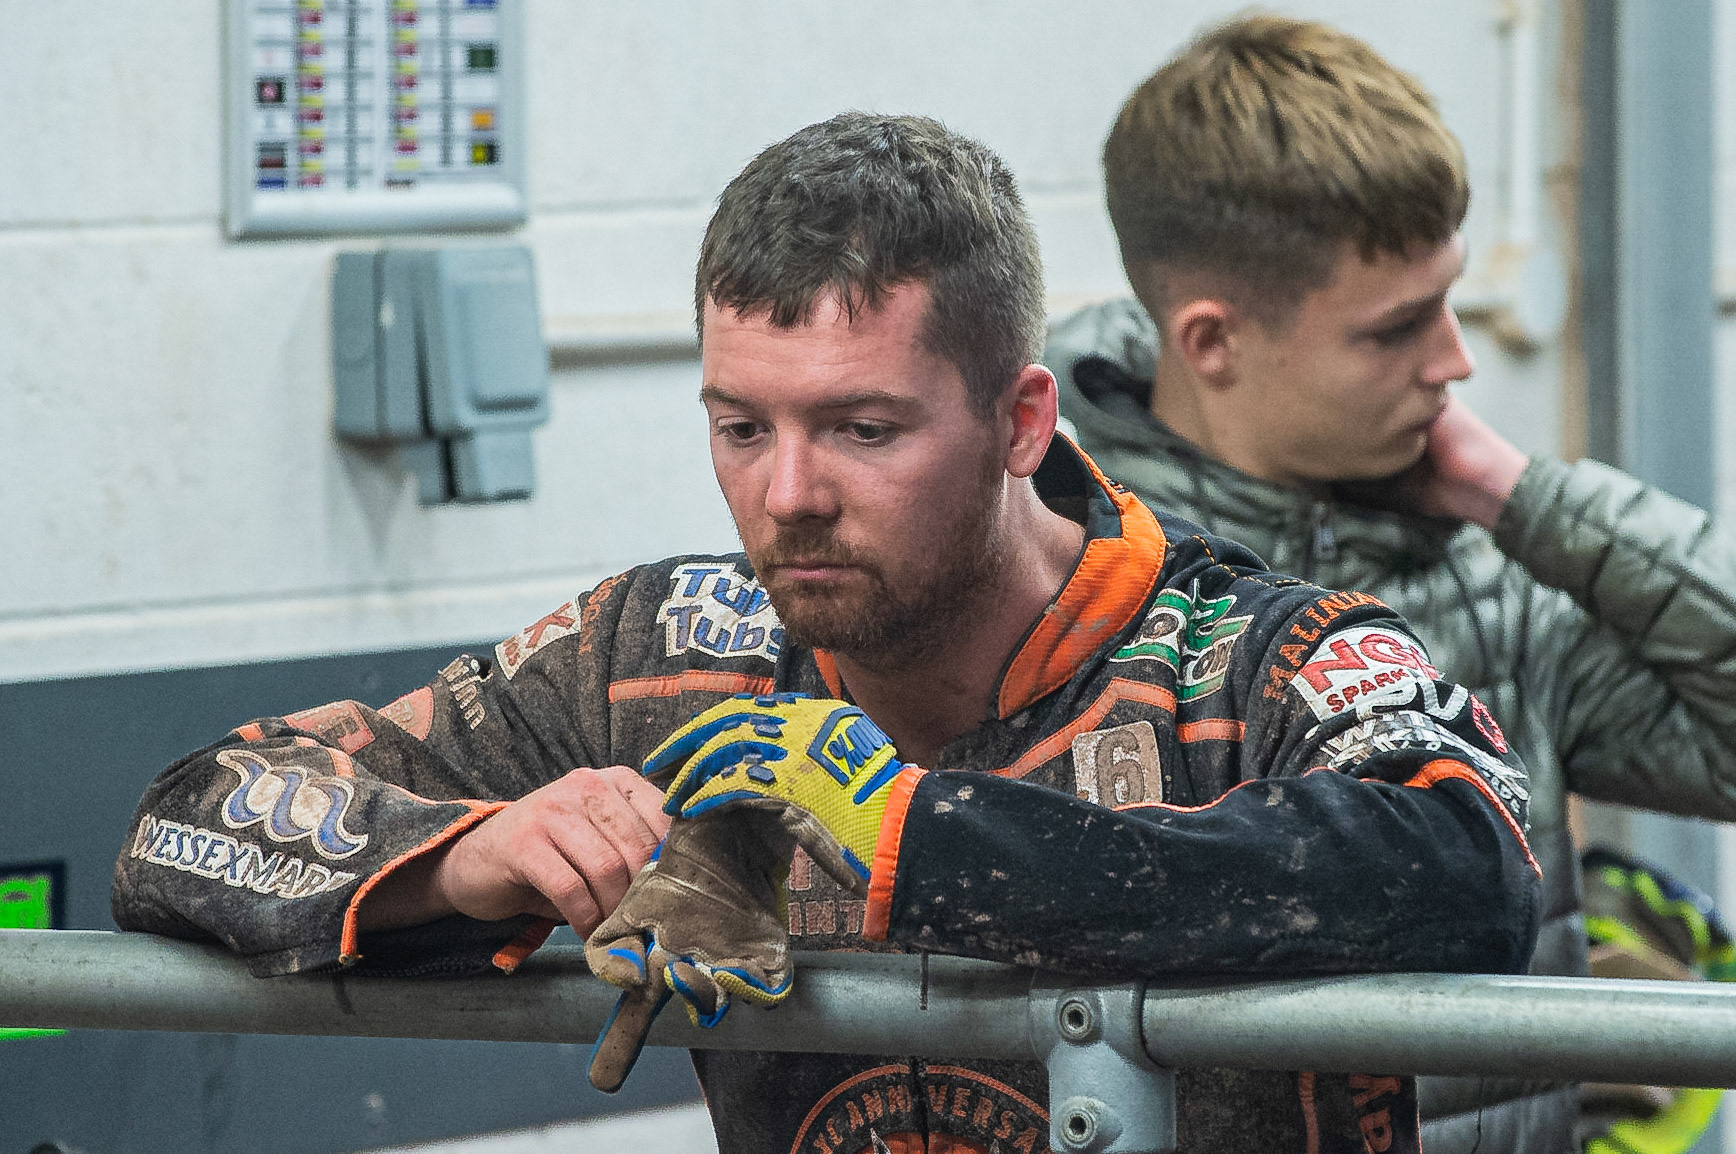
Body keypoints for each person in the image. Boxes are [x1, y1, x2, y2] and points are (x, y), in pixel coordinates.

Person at [112, 111, 1538, 1154]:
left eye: (865, 427)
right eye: (741, 427)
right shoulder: (664, 650)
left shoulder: (1245, 654)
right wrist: (461, 859)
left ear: (1018, 421)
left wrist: (923, 839)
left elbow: (1473, 861)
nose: (787, 495)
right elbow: (185, 819)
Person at [1044, 14, 1736, 1153]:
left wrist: (1525, 498)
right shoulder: (1059, 580)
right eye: (1396, 329)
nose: (1456, 360)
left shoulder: (1483, 579)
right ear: (1211, 342)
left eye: (1448, 300)